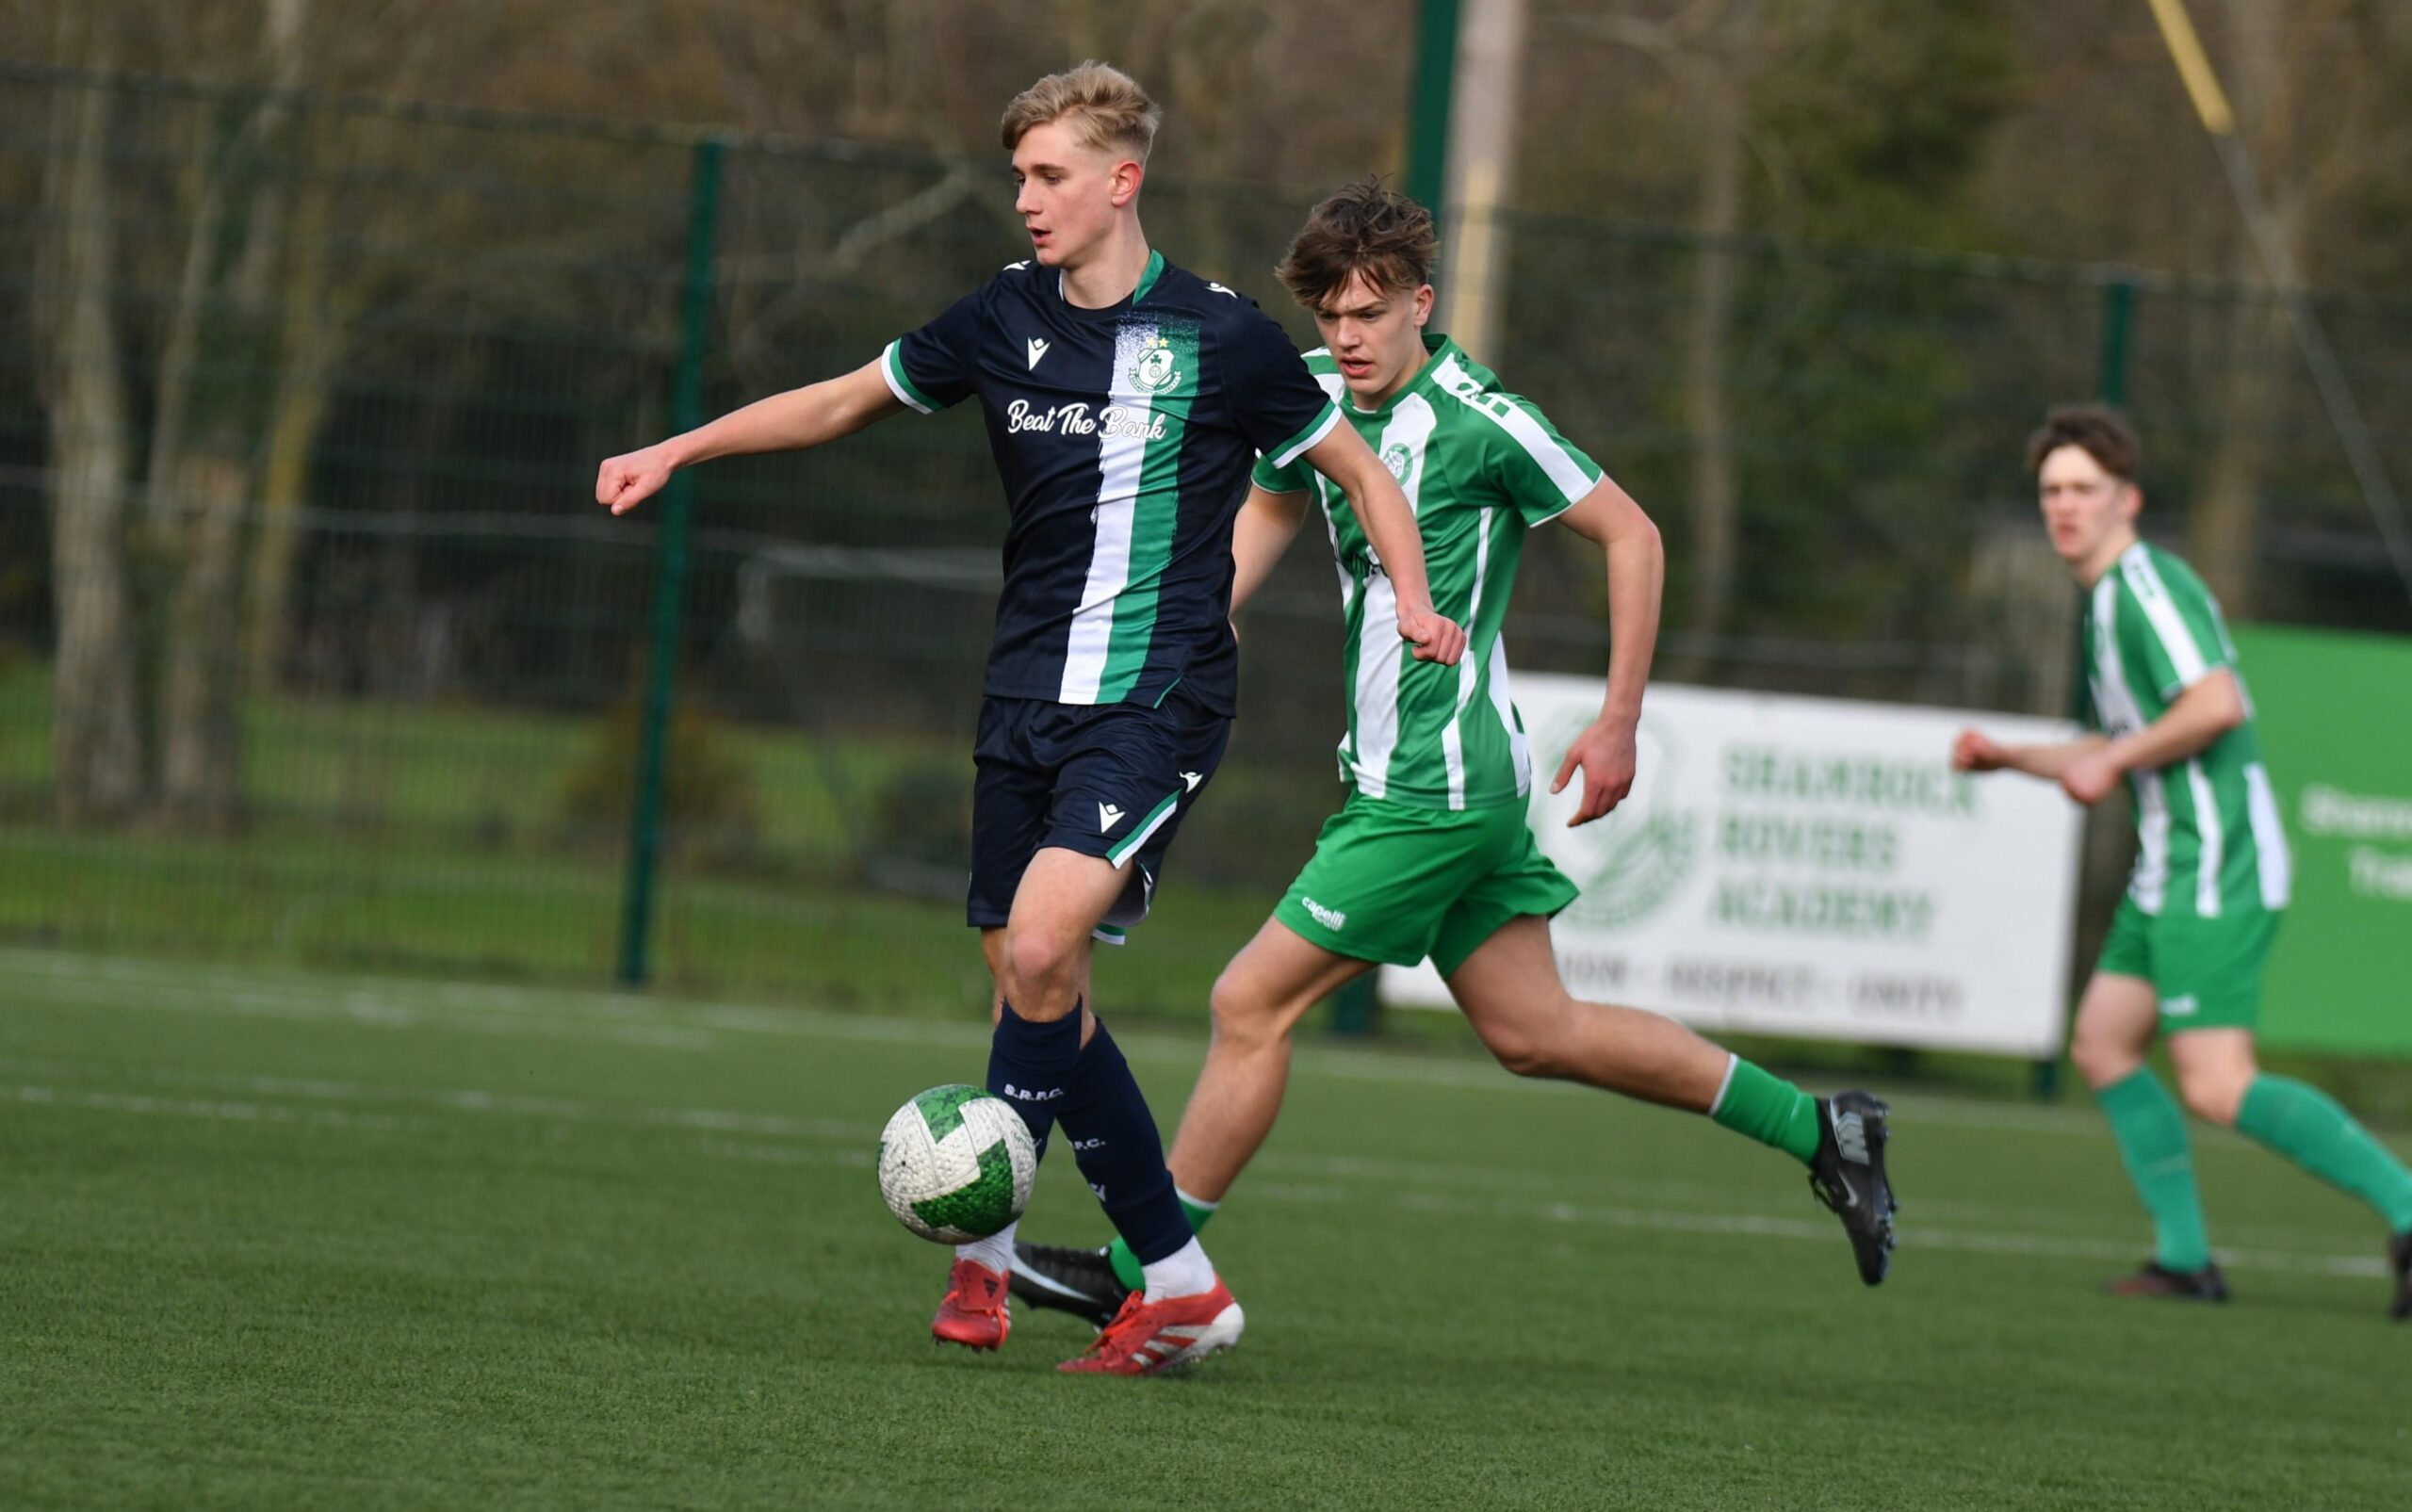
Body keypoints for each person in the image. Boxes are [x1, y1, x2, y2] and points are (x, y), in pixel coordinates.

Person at [595, 69, 1467, 1374]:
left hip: (1157, 695)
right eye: (1020, 176)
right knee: (1033, 978)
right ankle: (1177, 1282)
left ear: (1123, 180)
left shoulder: (1220, 338)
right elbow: (841, 400)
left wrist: (1409, 595)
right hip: (1021, 698)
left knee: (1049, 938)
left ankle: (984, 1251)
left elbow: (1356, 466)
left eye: (1051, 175)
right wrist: (680, 448)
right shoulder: (1001, 316)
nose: (1027, 198)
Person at [1010, 179, 1898, 1338]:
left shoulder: (1481, 418)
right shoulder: (1322, 401)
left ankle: (1145, 1277)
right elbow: (1269, 514)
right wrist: (1191, 626)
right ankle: (1824, 1131)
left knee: (1248, 1003)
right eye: (1328, 316)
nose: (1346, 337)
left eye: (1369, 314)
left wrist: (1620, 717)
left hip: (1437, 786)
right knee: (1540, 1035)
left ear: (1420, 302)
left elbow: (1634, 533)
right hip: (1414, 779)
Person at [1951, 404, 2412, 1313]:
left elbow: (2216, 703)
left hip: (2216, 858)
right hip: (2171, 860)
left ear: (2130, 498)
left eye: (2085, 488)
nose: (2065, 506)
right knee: (2105, 1043)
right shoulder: (2106, 601)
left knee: (2215, 1081)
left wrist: (2111, 761)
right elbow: (2111, 742)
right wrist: (2013, 758)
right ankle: (2186, 1259)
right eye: (2052, 491)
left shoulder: (2143, 587)